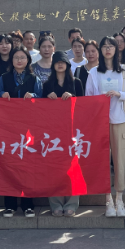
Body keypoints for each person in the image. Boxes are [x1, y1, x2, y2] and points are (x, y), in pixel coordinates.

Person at [84, 36, 125, 218]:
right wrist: (100, 100)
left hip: (120, 119)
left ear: (116, 49)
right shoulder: (94, 72)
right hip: (100, 122)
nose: (107, 49)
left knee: (120, 161)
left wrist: (118, 93)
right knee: (103, 161)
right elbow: (88, 98)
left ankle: (119, 198)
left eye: (111, 46)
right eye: (104, 46)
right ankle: (108, 200)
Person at [0, 46, 42, 218]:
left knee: (28, 167)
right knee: (9, 165)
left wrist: (33, 97)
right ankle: (10, 205)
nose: (19, 60)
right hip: (9, 127)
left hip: (29, 128)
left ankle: (28, 205)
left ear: (28, 60)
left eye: (23, 57)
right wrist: (2, 94)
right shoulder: (4, 77)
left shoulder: (34, 78)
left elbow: (41, 97)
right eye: (16, 57)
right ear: (12, 60)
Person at [43, 51, 84, 217]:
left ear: (67, 64)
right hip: (52, 133)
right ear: (53, 65)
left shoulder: (76, 82)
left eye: (63, 62)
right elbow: (39, 109)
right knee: (54, 168)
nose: (60, 64)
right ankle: (56, 204)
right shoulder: (47, 84)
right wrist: (47, 98)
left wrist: (73, 97)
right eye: (57, 62)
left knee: (74, 168)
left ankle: (72, 204)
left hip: (73, 131)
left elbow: (85, 105)